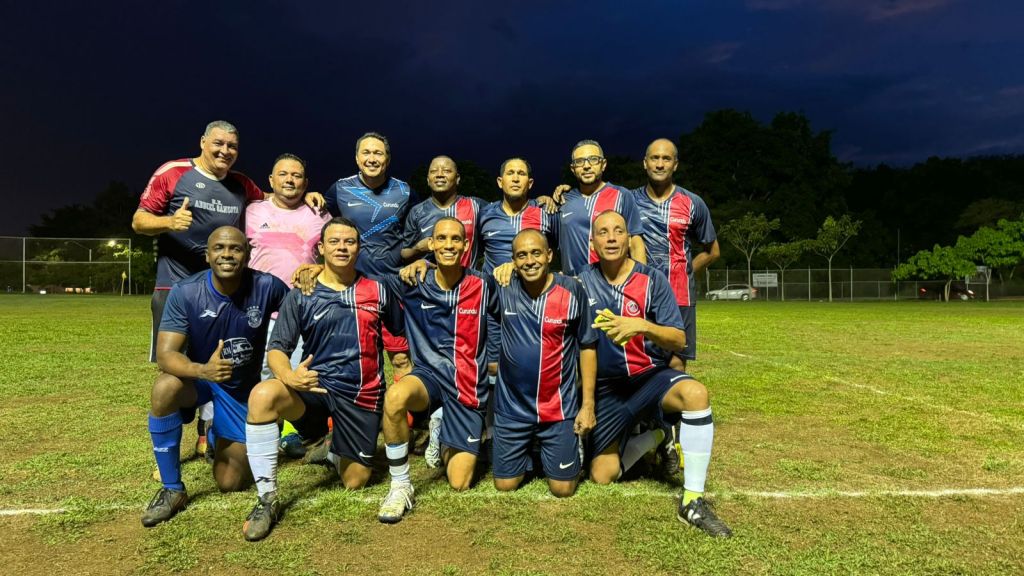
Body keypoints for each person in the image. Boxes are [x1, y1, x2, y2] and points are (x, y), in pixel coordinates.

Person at [241, 217, 403, 541]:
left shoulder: (379, 291)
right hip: (314, 387)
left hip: (361, 394)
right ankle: (267, 499)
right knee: (262, 395)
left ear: (359, 247)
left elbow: (398, 346)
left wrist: (403, 378)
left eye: (350, 242)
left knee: (355, 481)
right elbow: (277, 349)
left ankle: (332, 448)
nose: (342, 247)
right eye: (335, 242)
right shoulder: (303, 292)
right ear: (321, 248)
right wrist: (289, 375)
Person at [577, 211, 732, 538]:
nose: (611, 238)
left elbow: (679, 339)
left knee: (696, 394)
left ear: (628, 239)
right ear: (592, 241)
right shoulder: (581, 281)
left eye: (618, 231)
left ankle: (692, 501)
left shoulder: (652, 280)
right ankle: (657, 436)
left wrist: (643, 326)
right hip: (609, 391)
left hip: (650, 379)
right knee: (601, 474)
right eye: (603, 232)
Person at [141, 226, 288, 528]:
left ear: (247, 255)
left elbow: (298, 313)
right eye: (219, 248)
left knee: (229, 482)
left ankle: (215, 432)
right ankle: (172, 489)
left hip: (240, 391)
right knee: (164, 388)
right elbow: (167, 354)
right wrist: (202, 370)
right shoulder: (186, 291)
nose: (227, 254)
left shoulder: (267, 286)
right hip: (201, 380)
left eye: (235, 248)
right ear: (207, 256)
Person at [377, 217, 497, 523]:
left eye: (456, 239)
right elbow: (364, 273)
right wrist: (315, 266)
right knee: (395, 397)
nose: (448, 244)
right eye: (441, 238)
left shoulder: (483, 285)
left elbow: (510, 307)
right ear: (431, 244)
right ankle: (400, 486)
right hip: (428, 377)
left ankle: (441, 431)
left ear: (466, 246)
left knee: (459, 482)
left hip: (466, 383)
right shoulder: (411, 281)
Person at [491, 229, 597, 497]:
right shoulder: (503, 287)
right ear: (513, 261)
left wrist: (587, 405)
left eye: (536, 253)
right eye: (521, 255)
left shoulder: (572, 290)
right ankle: (529, 448)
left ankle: (563, 446)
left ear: (549, 255)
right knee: (505, 485)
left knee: (563, 489)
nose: (529, 261)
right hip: (512, 407)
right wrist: (424, 262)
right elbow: (459, 275)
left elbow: (587, 345)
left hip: (558, 407)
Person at [245, 153, 332, 457]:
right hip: (255, 308)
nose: (290, 180)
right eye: (283, 174)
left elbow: (334, 256)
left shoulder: (318, 214)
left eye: (297, 175)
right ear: (271, 181)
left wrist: (319, 269)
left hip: (302, 310)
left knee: (295, 372)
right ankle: (260, 431)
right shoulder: (252, 211)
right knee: (259, 372)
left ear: (306, 183)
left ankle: (294, 434)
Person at [322, 132, 417, 381]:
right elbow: (318, 222)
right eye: (366, 152)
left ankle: (403, 417)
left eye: (378, 153)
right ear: (356, 158)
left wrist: (420, 259)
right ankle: (363, 413)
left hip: (393, 284)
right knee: (358, 356)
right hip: (353, 285)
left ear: (387, 159)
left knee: (400, 357)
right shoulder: (340, 188)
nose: (372, 158)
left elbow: (418, 231)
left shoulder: (405, 191)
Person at [632, 138, 719, 371]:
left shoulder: (693, 203)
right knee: (638, 359)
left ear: (675, 165)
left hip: (680, 294)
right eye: (655, 158)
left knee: (677, 360)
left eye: (666, 158)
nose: (660, 164)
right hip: (641, 294)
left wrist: (686, 270)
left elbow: (712, 251)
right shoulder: (628, 201)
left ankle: (674, 408)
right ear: (645, 163)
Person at [552, 140, 646, 277]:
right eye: (579, 162)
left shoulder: (622, 195)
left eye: (593, 160)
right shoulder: (563, 200)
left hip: (613, 286)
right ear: (573, 169)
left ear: (603, 165)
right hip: (574, 286)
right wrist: (544, 199)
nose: (586, 166)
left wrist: (641, 281)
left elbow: (636, 243)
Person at [401, 155, 486, 268]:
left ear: (457, 178)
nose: (439, 175)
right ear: (428, 180)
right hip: (428, 284)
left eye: (446, 171)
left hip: (469, 284)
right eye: (434, 171)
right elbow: (404, 255)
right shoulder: (417, 212)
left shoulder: (476, 206)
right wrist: (418, 249)